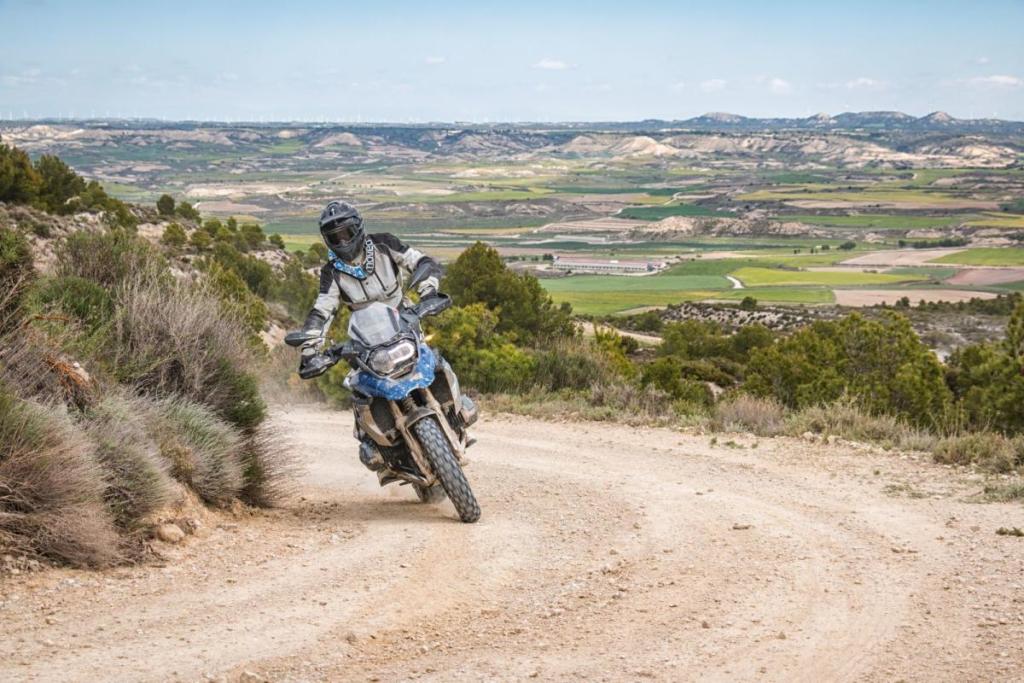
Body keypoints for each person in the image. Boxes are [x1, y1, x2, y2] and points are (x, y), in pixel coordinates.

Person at [298, 200, 443, 473]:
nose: (342, 240)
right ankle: (374, 445)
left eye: (346, 232)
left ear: (358, 228)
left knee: (434, 360)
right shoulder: (332, 273)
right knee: (360, 388)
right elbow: (322, 310)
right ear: (327, 240)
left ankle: (455, 405)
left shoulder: (385, 244)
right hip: (366, 338)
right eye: (334, 236)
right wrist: (310, 348)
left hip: (405, 322)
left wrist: (428, 289)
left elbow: (419, 261)